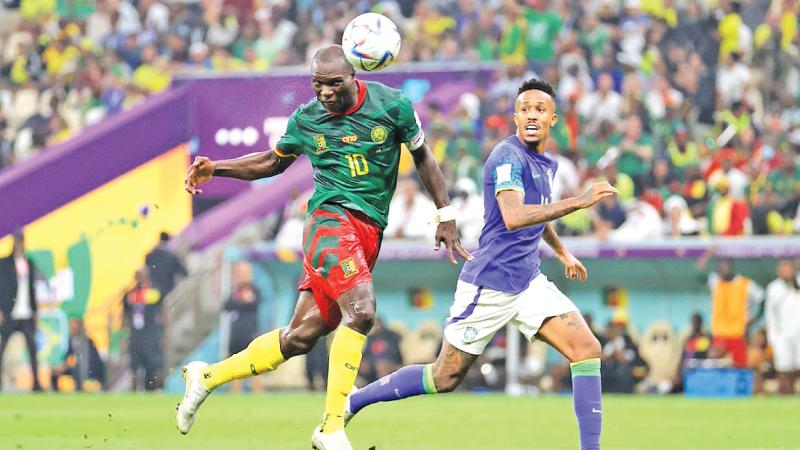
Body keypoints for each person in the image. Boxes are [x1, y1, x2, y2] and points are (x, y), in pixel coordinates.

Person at [177, 45, 470, 449]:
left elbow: (423, 157)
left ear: (355, 77)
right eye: (318, 83)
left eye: (334, 83)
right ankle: (332, 426)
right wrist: (217, 167)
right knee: (363, 311)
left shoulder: (394, 107)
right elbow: (271, 162)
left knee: (300, 336)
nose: (325, 92)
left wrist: (445, 213)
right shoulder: (307, 119)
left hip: (369, 231)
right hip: (330, 222)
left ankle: (206, 377)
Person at [345, 79, 618, 450]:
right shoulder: (508, 156)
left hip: (528, 281)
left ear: (553, 118)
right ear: (515, 117)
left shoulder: (547, 163)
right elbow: (514, 215)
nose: (532, 115)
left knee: (586, 348)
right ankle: (354, 401)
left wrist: (562, 252)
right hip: (489, 283)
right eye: (525, 109)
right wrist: (579, 201)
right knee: (444, 377)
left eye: (540, 109)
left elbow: (538, 216)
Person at [697, 255, 764, 368]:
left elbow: (763, 299)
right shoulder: (715, 281)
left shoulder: (745, 283)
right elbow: (697, 275)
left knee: (739, 367)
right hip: (719, 335)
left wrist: (755, 318)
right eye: (719, 266)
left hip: (738, 335)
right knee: (715, 365)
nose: (722, 269)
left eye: (725, 265)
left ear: (731, 266)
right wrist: (707, 255)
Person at [0, 230, 43, 392]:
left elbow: (32, 290)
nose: (20, 244)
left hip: (26, 314)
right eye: (17, 241)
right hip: (10, 313)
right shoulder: (5, 263)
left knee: (33, 349)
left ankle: (36, 384)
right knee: (2, 349)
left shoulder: (29, 263)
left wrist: (35, 311)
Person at [123, 268, 165, 391]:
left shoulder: (154, 292)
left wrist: (163, 333)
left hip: (151, 332)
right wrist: (124, 335)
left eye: (142, 276)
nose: (140, 279)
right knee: (134, 365)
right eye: (137, 277)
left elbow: (162, 311)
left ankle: (154, 390)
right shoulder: (131, 294)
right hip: (136, 333)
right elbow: (125, 315)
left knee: (153, 365)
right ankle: (135, 394)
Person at [765, 259, 800, 394]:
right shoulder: (774, 288)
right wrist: (773, 337)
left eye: (789, 268)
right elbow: (770, 315)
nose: (787, 271)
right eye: (783, 268)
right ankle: (786, 394)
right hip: (782, 335)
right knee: (784, 367)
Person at [50, 317, 105, 392]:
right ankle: (55, 394)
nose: (72, 327)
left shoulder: (87, 341)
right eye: (71, 324)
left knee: (78, 370)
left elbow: (92, 360)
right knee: (54, 372)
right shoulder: (71, 340)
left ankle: (82, 387)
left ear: (79, 326)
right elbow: (68, 356)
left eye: (74, 324)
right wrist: (62, 365)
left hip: (87, 369)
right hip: (75, 368)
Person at [145, 231, 187, 298]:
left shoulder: (149, 256)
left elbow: (147, 272)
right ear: (168, 242)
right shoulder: (172, 257)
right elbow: (184, 273)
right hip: (168, 291)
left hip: (154, 291)